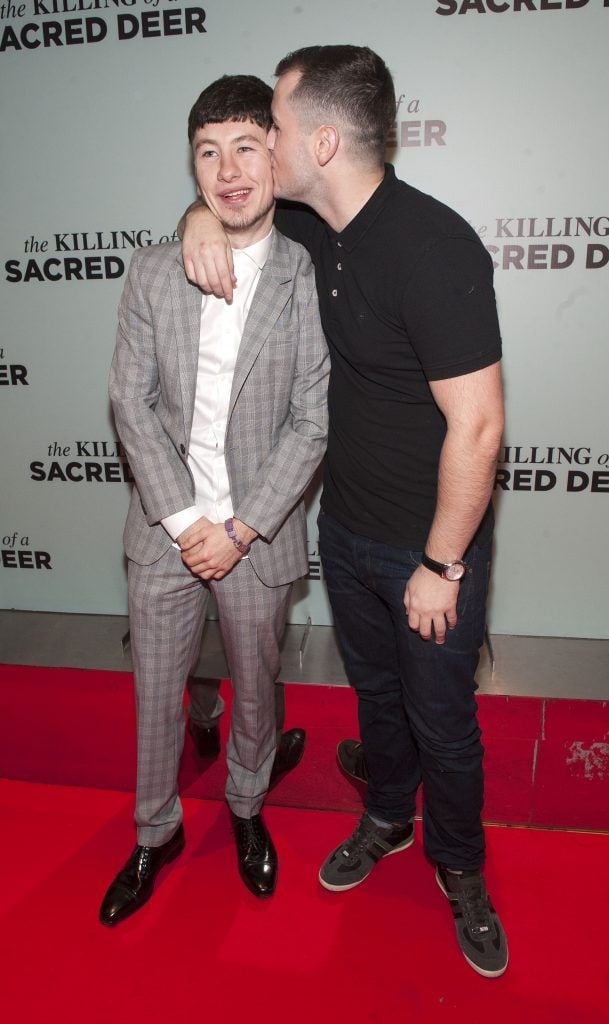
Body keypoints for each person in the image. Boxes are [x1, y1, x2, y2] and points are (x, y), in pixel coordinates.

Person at [181, 46, 507, 978]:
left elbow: (478, 427)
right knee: (378, 704)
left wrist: (441, 564)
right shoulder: (315, 220)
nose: (257, 149)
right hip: (345, 530)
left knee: (443, 720)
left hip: (428, 548)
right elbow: (225, 200)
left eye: (272, 130)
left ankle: (461, 868)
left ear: (319, 140)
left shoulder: (432, 248)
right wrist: (198, 212)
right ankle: (386, 820)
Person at [100, 74, 329, 925]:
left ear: (274, 155)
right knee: (157, 697)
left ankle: (244, 806)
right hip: (165, 531)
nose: (228, 170)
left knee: (257, 686)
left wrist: (238, 528)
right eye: (208, 152)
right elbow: (130, 402)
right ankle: (153, 833)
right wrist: (190, 522)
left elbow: (312, 420)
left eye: (245, 147)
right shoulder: (155, 271)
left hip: (254, 535)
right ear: (191, 168)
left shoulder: (302, 274)